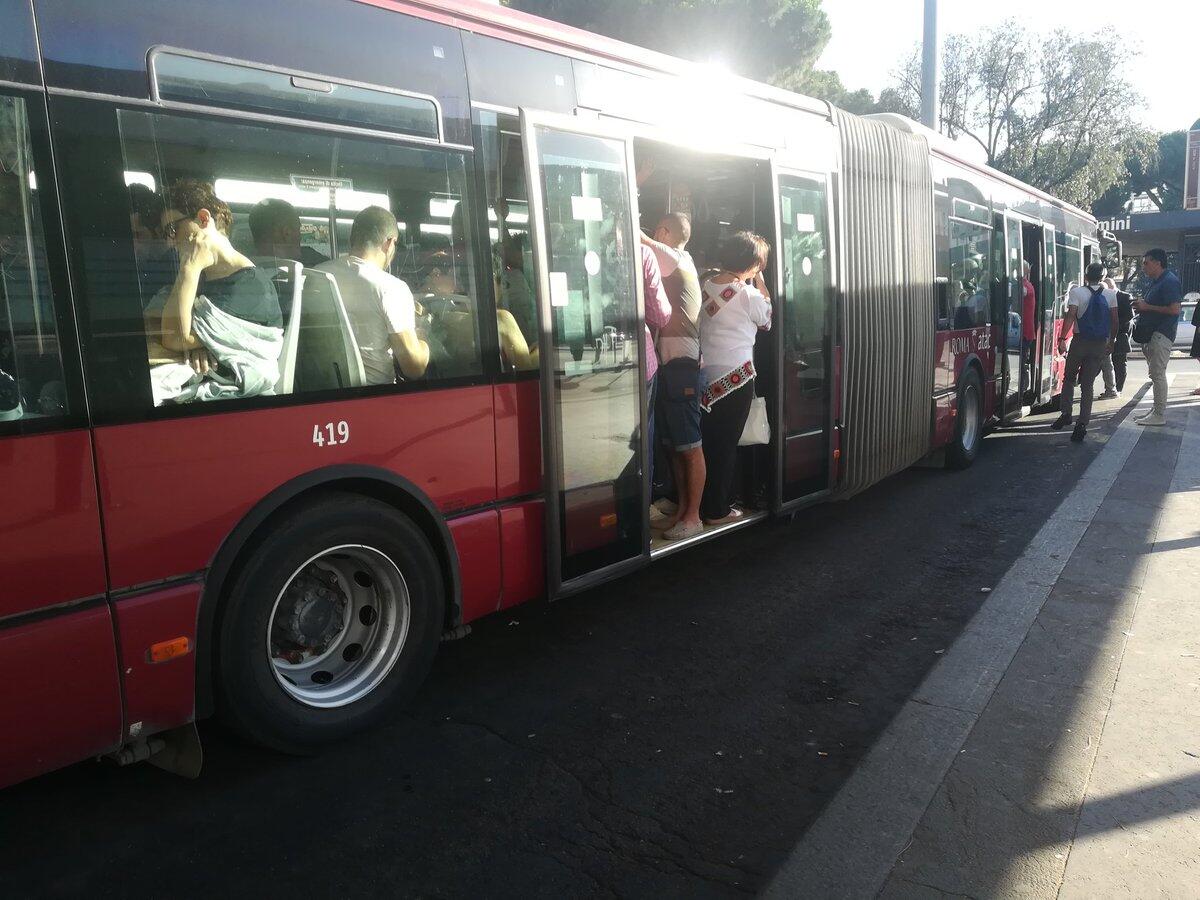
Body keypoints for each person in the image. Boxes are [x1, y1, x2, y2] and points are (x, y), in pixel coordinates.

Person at [149, 179, 284, 404]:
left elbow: (174, 337)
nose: (170, 242)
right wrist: (197, 343)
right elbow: (156, 320)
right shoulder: (204, 277)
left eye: (173, 229)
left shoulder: (250, 286)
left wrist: (189, 268)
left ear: (203, 219)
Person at [698, 231, 772, 525]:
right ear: (753, 264)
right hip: (737, 378)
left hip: (707, 378)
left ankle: (700, 501)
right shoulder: (748, 294)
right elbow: (767, 320)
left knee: (707, 443)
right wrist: (762, 284)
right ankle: (717, 508)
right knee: (726, 446)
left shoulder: (706, 285)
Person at [641, 213, 705, 541]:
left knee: (689, 445)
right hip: (671, 364)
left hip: (681, 364)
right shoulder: (680, 259)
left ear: (665, 231)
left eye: (656, 229)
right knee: (675, 444)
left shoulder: (674, 257)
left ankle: (692, 516)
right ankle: (683, 510)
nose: (652, 233)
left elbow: (642, 241)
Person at [315, 205, 428, 384]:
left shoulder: (316, 275)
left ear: (353, 238)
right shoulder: (391, 288)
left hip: (322, 390)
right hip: (376, 397)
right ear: (390, 243)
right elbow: (414, 368)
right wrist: (423, 340)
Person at [1052, 262, 1116, 442]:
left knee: (1069, 379)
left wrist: (1062, 339)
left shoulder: (1077, 292)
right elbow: (1115, 320)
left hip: (1080, 342)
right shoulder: (1111, 294)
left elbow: (1071, 315)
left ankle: (1066, 413)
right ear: (1103, 277)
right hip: (1099, 344)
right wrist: (1111, 341)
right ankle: (1082, 424)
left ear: (1086, 277)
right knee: (1088, 385)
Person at [1134, 248, 1183, 426]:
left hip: (1162, 333)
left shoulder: (1169, 281)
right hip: (1153, 334)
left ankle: (1159, 414)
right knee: (1155, 374)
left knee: (1158, 374)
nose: (1143, 267)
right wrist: (1142, 306)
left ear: (1158, 262)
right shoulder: (1158, 281)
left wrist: (1146, 307)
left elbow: (1175, 309)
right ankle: (1156, 410)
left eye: (1146, 263)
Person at [641, 242, 672, 513]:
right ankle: (643, 509)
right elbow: (660, 314)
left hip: (593, 362)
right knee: (643, 440)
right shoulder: (641, 252)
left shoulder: (569, 244)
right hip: (640, 361)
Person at [248, 198, 329, 269]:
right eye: (298, 229)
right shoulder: (307, 270)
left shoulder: (240, 272)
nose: (300, 237)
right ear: (287, 233)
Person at [1105, 277, 1134, 394]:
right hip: (1106, 334)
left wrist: (1114, 325)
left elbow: (1129, 316)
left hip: (1121, 334)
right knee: (1105, 363)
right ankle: (1109, 388)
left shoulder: (1124, 297)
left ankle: (1118, 388)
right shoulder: (1104, 296)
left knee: (1120, 362)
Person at [1021, 260, 1037, 393]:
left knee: (1021, 362)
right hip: (1023, 331)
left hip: (1024, 332)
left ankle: (1023, 389)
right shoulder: (1027, 285)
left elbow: (1018, 293)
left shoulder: (1026, 287)